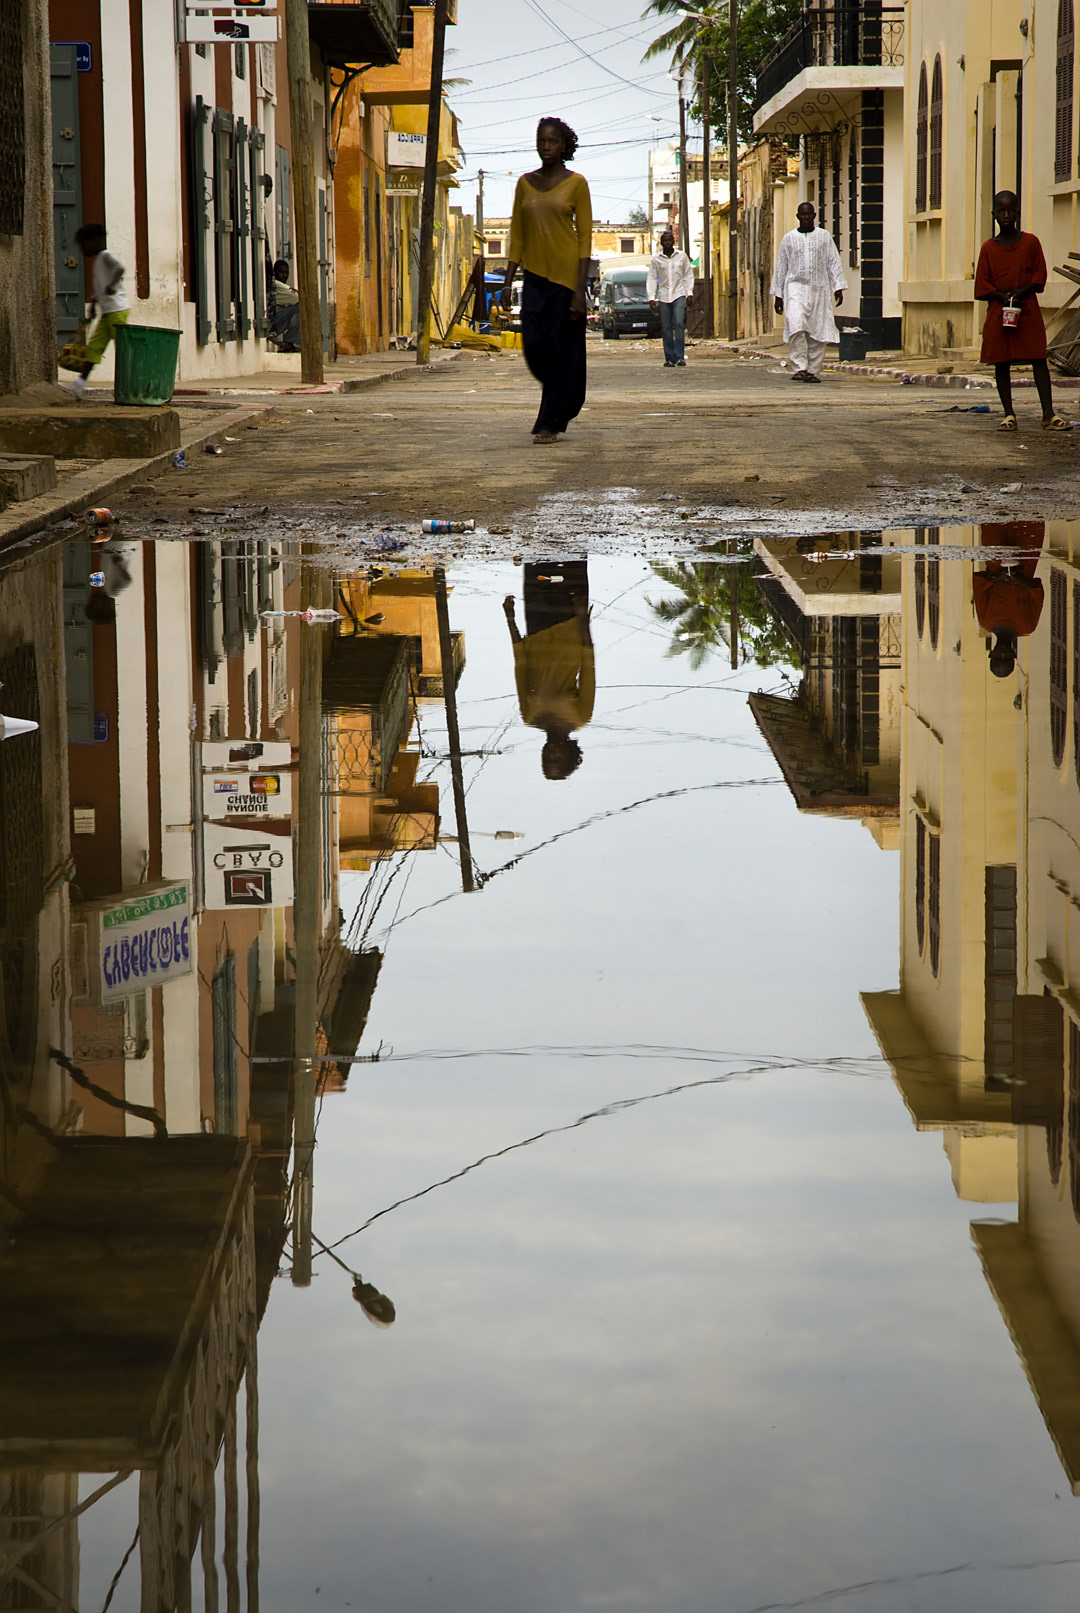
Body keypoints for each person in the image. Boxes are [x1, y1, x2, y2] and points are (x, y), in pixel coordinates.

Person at [501, 118, 592, 444]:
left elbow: (584, 240)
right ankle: (562, 397)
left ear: (564, 145)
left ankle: (549, 423)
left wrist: (579, 292)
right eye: (542, 141)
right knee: (535, 348)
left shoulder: (576, 184)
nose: (546, 147)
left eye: (553, 142)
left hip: (566, 279)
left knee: (557, 352)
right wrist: (508, 280)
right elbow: (517, 236)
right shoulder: (525, 184)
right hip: (535, 279)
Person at [975, 191, 1071, 432]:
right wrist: (1002, 296)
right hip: (1000, 310)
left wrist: (1020, 292)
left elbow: (1039, 277)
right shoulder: (988, 248)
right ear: (994, 215)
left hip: (1026, 308)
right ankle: (1009, 414)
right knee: (1001, 361)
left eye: (1010, 210)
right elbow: (982, 284)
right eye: (1001, 211)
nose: (1006, 215)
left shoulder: (1030, 242)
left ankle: (1048, 414)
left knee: (1038, 358)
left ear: (1018, 213)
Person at [503, 562, 594, 778]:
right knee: (572, 557)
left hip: (535, 627)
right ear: (570, 754)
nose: (551, 753)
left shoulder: (529, 716)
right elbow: (588, 667)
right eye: (557, 758)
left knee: (536, 560)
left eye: (546, 758)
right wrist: (583, 620)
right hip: (570, 622)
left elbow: (521, 666)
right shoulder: (581, 717)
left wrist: (510, 620)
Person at [770, 201, 846, 383]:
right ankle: (799, 367)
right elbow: (781, 267)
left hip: (819, 288)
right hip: (794, 288)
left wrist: (838, 287)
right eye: (802, 215)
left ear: (813, 216)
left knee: (818, 330)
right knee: (796, 325)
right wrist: (778, 296)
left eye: (809, 215)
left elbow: (833, 262)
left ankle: (813, 370)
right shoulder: (788, 239)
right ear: (798, 217)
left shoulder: (824, 237)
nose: (805, 218)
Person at [973, 520, 1045, 677]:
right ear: (1014, 655)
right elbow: (1037, 593)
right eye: (1007, 657)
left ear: (991, 653)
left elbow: (979, 589)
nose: (1003, 653)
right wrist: (1021, 581)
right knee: (1030, 518)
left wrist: (996, 576)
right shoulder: (1028, 626)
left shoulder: (985, 621)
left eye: (998, 657)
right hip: (1026, 563)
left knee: (994, 517)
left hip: (995, 561)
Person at [65, 224, 129, 397]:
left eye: (83, 244)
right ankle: (79, 384)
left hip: (116, 311)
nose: (82, 249)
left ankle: (129, 385)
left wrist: (111, 286)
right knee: (94, 348)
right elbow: (99, 287)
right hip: (108, 312)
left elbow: (120, 269)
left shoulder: (105, 256)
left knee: (124, 350)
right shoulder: (99, 261)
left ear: (95, 241)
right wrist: (94, 304)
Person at [647, 229, 694, 367]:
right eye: (665, 241)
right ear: (661, 243)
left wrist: (689, 293)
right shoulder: (656, 259)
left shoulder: (682, 256)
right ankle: (669, 358)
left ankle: (680, 357)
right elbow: (651, 278)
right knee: (666, 327)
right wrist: (651, 297)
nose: (667, 243)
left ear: (673, 242)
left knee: (679, 323)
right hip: (663, 296)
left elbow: (687, 275)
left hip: (679, 294)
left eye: (669, 240)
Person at [269, 259, 300, 351]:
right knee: (300, 308)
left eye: (286, 273)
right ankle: (288, 342)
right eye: (281, 273)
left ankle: (290, 342)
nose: (284, 276)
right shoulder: (276, 285)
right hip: (271, 324)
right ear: (275, 273)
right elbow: (298, 298)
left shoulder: (279, 285)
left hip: (273, 321)